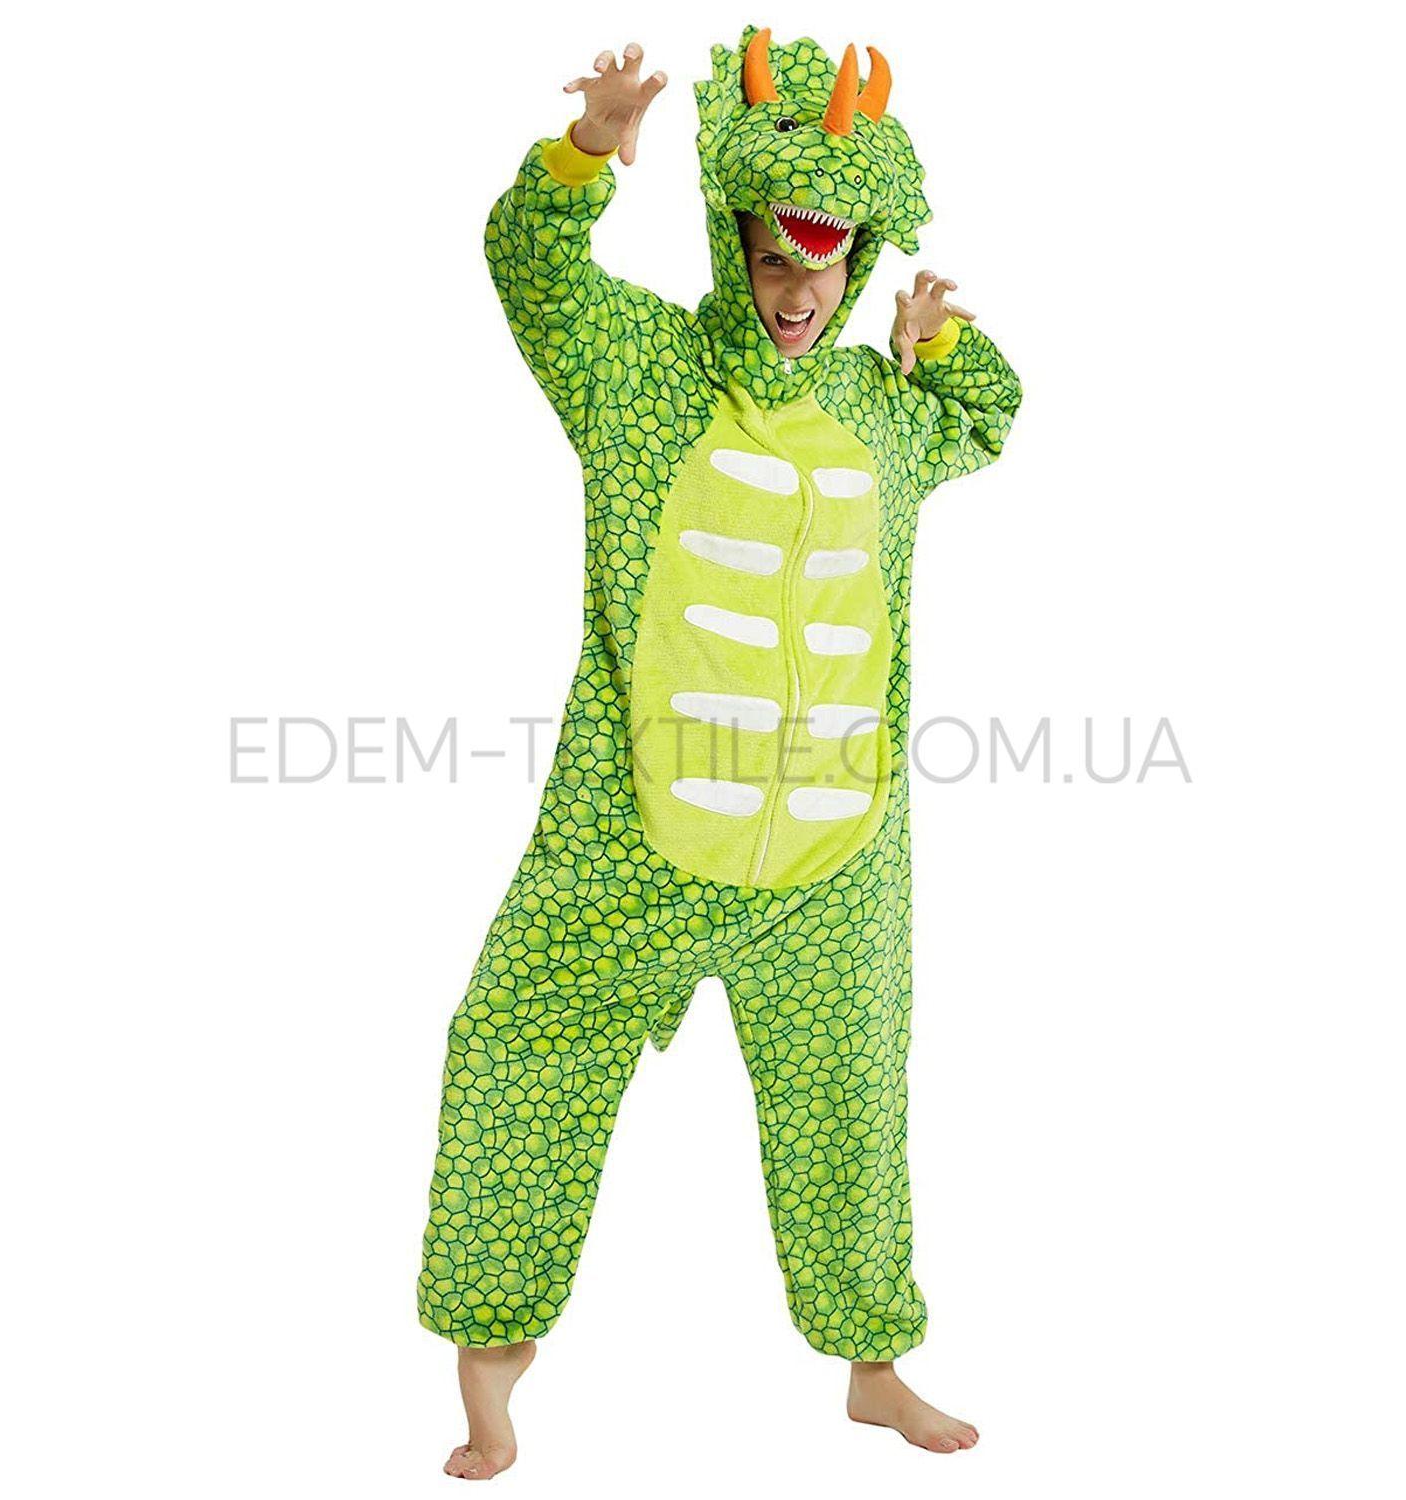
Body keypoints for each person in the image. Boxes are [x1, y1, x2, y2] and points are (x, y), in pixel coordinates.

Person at [418, 26, 1023, 1480]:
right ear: (729, 241)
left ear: (855, 260)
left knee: (851, 1103)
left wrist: (939, 342)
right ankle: (491, 1361)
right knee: (517, 1050)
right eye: (769, 260)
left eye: (826, 264)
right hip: (628, 837)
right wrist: (583, 154)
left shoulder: (880, 413)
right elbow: (529, 269)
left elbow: (987, 420)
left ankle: (875, 1365)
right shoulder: (640, 368)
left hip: (836, 857)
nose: (797, 294)